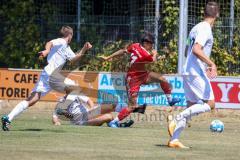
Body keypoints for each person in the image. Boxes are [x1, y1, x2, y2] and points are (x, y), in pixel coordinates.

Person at [2, 26, 92, 131]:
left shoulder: (67, 48)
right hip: (52, 74)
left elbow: (73, 59)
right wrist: (46, 50)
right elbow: (50, 43)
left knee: (32, 100)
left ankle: (8, 118)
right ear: (70, 35)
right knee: (74, 89)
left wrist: (84, 48)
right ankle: (62, 110)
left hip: (47, 75)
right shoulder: (61, 41)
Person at [100, 32, 181, 128]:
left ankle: (170, 100)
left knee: (162, 79)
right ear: (146, 43)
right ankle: (114, 121)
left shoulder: (135, 46)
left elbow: (122, 51)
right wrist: (155, 54)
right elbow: (153, 61)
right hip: (133, 79)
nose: (152, 46)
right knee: (132, 106)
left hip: (143, 74)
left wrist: (108, 57)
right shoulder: (145, 54)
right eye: (151, 44)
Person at [167, 1, 219, 148]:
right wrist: (211, 63)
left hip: (188, 70)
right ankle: (177, 118)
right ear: (217, 14)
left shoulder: (195, 28)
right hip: (195, 71)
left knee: (191, 106)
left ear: (204, 13)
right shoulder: (205, 28)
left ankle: (174, 140)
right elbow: (196, 49)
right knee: (210, 104)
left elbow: (186, 50)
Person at [52, 91, 134, 127]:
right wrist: (56, 122)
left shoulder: (74, 94)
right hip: (80, 122)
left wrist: (92, 109)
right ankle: (119, 125)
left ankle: (119, 122)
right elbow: (55, 116)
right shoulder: (61, 103)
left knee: (111, 107)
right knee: (108, 117)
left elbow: (89, 101)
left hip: (89, 114)